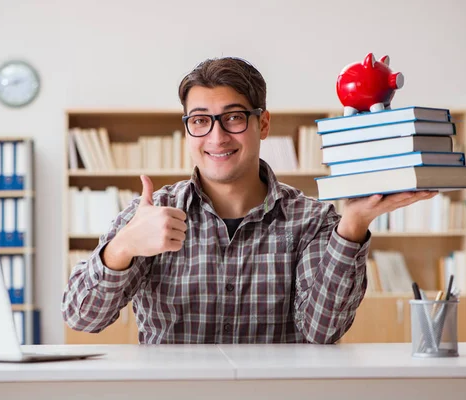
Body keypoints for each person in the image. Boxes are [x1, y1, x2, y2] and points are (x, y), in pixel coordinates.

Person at [61, 57, 436, 344]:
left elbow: (321, 332)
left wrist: (353, 225)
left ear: (264, 124)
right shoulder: (151, 214)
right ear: (188, 129)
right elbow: (81, 317)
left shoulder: (313, 220)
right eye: (200, 120)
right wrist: (123, 247)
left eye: (234, 118)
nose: (217, 137)